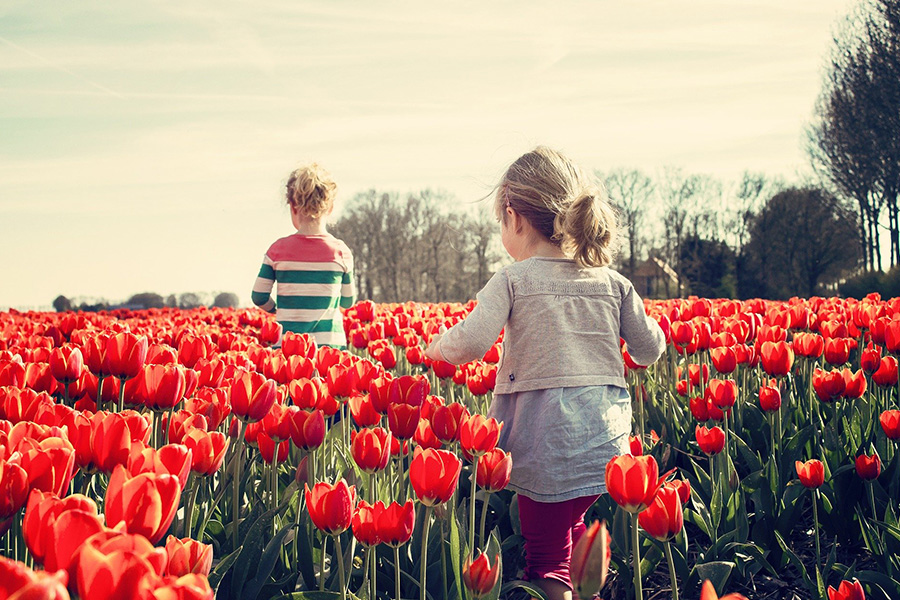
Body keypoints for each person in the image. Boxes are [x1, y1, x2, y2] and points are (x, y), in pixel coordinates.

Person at [425, 146, 665, 600]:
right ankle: (585, 588)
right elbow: (649, 349)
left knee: (547, 557)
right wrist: (658, 333)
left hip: (545, 439)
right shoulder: (613, 282)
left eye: (501, 221)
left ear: (514, 217)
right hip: (606, 442)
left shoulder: (514, 279)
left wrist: (438, 345)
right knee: (572, 525)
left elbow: (473, 342)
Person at [251, 163, 356, 348]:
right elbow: (348, 301)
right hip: (329, 346)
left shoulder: (277, 250)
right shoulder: (341, 252)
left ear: (292, 206)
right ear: (330, 207)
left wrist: (277, 309)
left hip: (287, 347)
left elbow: (258, 296)